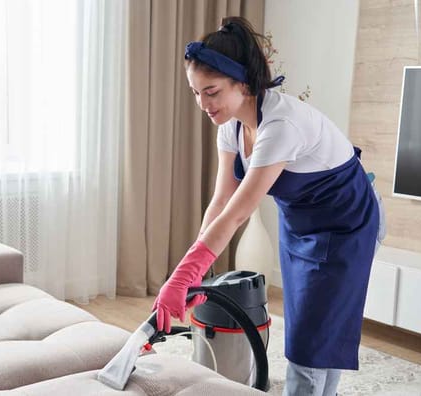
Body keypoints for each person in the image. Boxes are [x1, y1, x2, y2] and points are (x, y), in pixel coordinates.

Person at [151, 16, 382, 396]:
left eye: (211, 92)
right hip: (302, 225)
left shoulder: (281, 125)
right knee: (312, 329)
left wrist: (183, 275)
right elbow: (220, 201)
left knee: (311, 340)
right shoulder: (231, 125)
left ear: (242, 84)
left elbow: (238, 212)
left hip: (347, 225)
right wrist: (191, 272)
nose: (202, 104)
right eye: (195, 93)